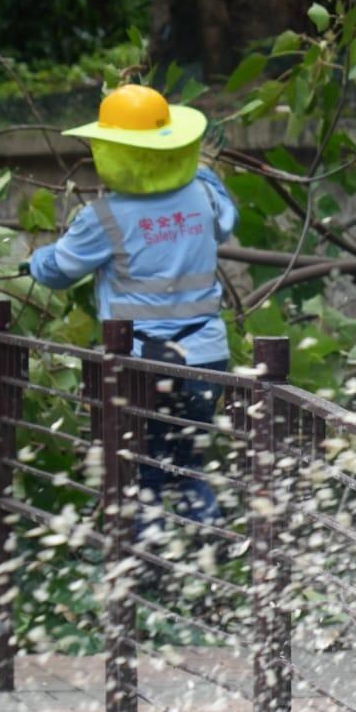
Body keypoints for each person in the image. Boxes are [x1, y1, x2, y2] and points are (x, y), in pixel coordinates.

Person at [27, 84, 238, 535]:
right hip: (207, 357)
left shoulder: (104, 217)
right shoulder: (203, 195)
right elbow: (228, 220)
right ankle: (211, 546)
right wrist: (207, 172)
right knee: (188, 463)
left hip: (142, 361)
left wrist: (33, 259)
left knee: (145, 469)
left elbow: (57, 271)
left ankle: (147, 563)